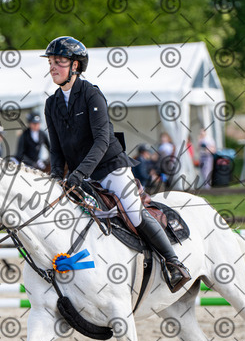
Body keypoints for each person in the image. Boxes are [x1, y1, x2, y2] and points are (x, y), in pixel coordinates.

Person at [42, 36, 190, 292]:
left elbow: (101, 140)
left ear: (75, 65)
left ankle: (174, 262)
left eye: (59, 62)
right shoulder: (51, 103)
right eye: (51, 62)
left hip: (110, 167)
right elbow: (56, 148)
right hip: (80, 175)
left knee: (133, 211)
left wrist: (80, 173)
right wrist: (56, 175)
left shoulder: (91, 95)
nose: (53, 67)